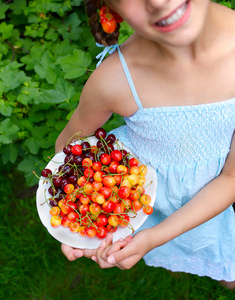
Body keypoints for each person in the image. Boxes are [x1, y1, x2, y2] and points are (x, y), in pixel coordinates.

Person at [55, 0, 235, 289]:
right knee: (180, 251)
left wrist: (154, 238)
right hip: (144, 202)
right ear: (111, 11)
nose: (158, 1)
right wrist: (81, 214)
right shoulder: (113, 81)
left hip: (217, 197)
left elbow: (232, 177)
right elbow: (67, 148)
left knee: (223, 260)